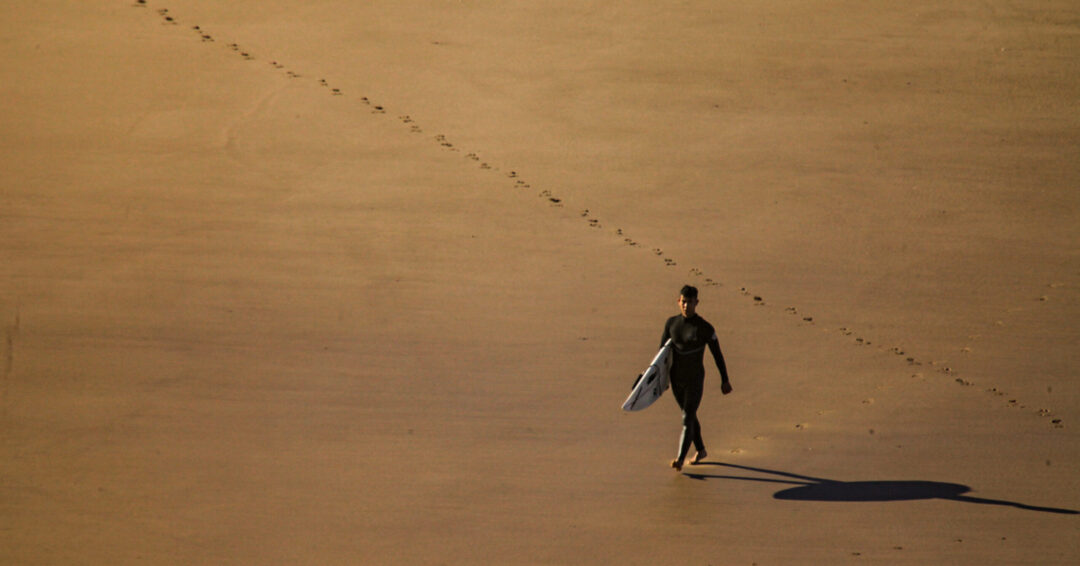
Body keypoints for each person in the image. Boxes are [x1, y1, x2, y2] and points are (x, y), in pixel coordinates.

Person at [660, 285, 732, 471]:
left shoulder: (705, 328)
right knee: (689, 415)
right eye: (683, 302)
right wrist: (659, 380)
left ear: (696, 303)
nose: (686, 306)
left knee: (687, 417)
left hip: (695, 379)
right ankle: (701, 450)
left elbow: (718, 354)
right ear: (679, 301)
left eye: (690, 302)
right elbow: (661, 355)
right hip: (676, 379)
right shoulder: (671, 324)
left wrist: (725, 379)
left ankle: (680, 459)